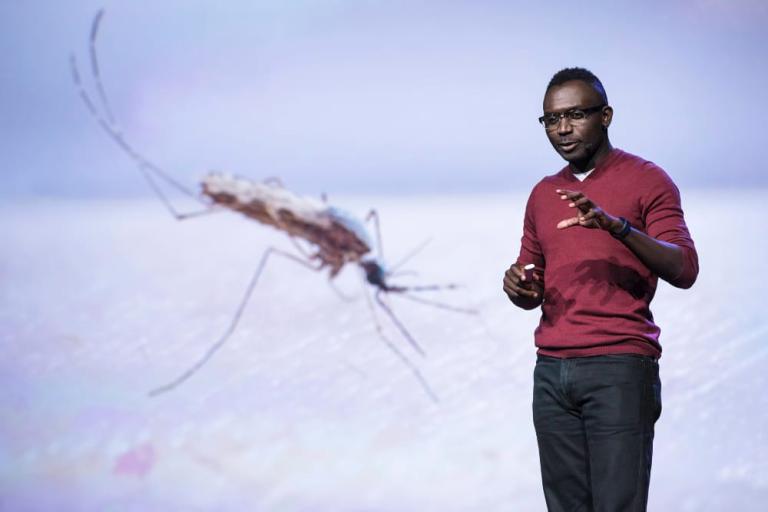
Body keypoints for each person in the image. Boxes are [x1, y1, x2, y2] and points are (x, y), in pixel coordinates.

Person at [502, 67, 698, 511]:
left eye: (575, 115)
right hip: (552, 372)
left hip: (619, 367)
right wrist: (519, 286)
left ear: (606, 115)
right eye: (551, 119)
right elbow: (532, 280)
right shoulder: (544, 193)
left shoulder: (648, 180)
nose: (562, 128)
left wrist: (618, 227)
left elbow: (685, 267)